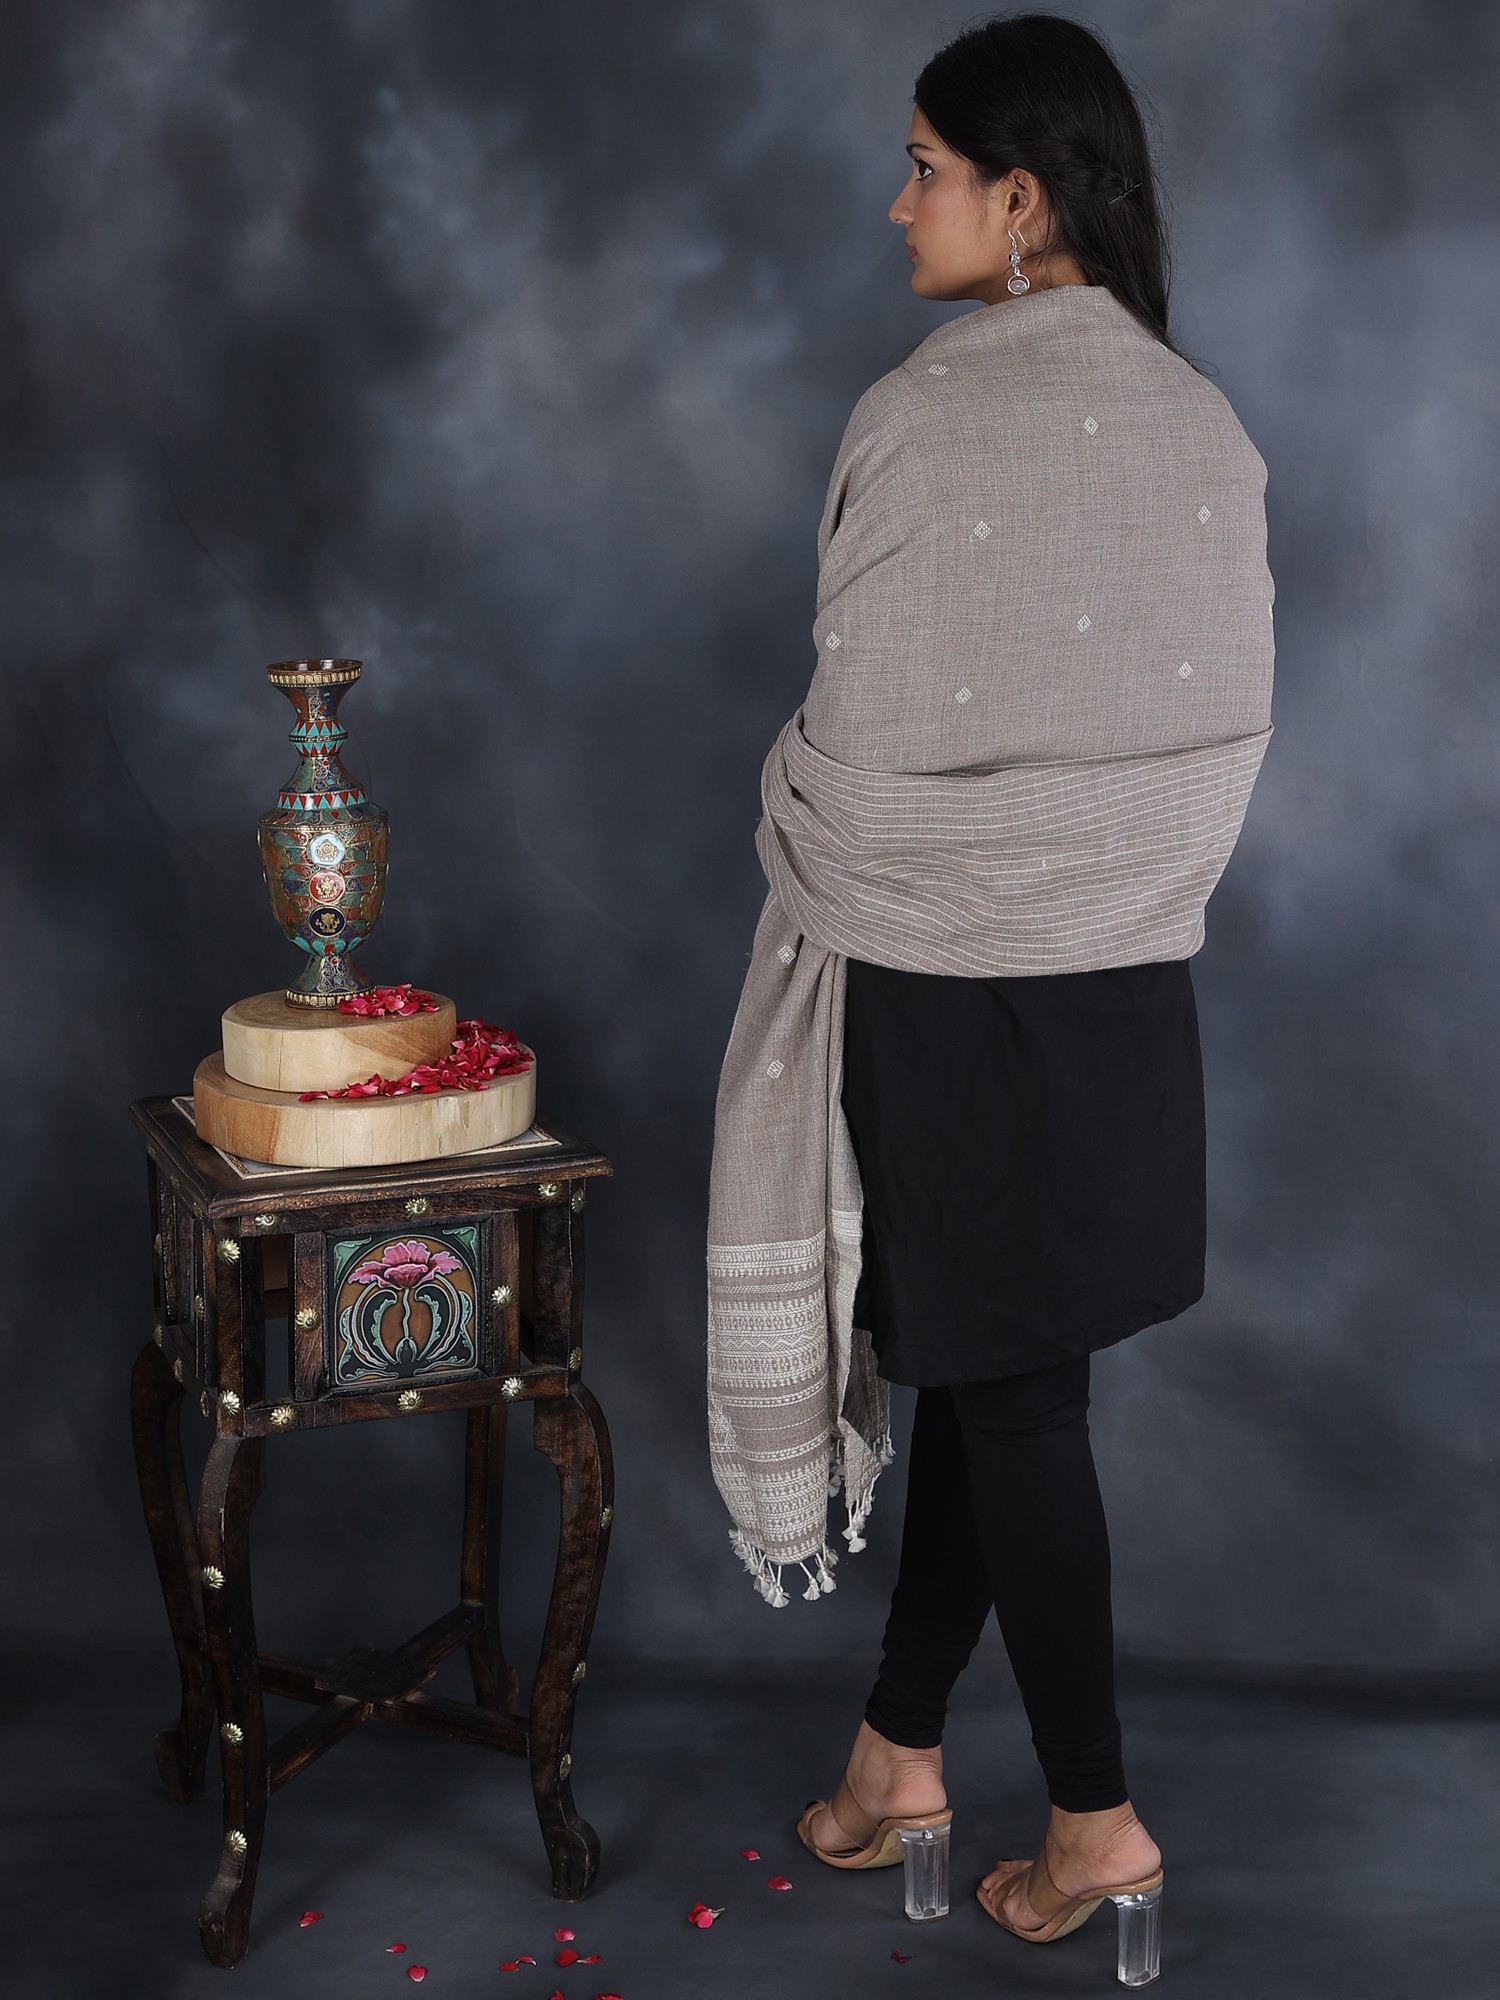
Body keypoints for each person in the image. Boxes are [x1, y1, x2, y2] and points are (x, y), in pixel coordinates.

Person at [704, 13, 1274, 1979]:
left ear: (1020, 198)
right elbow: (1225, 746)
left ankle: (1098, 1821)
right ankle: (897, 1758)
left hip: (947, 991)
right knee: (1001, 1368)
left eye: (927, 167)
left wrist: (800, 813)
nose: (900, 204)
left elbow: (853, 759)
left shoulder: (920, 416)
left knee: (1014, 1393)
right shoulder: (1206, 421)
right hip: (1124, 993)